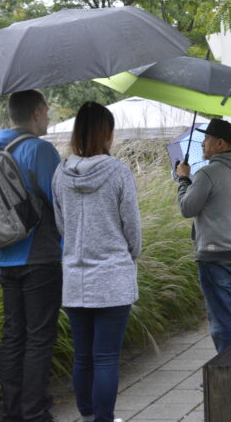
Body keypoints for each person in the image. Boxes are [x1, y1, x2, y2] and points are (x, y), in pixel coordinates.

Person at [52, 102, 142, 422]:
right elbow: (131, 225)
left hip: (76, 277)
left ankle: (88, 415)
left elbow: (61, 224)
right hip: (112, 276)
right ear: (107, 133)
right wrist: (128, 254)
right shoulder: (118, 171)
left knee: (83, 357)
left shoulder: (60, 173)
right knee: (106, 358)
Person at [0, 90, 62, 422]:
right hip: (40, 257)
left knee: (13, 335)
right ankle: (34, 414)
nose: (48, 118)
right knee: (39, 337)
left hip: (5, 256)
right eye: (46, 112)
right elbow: (61, 204)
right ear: (37, 112)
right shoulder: (40, 150)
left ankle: (12, 412)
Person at [176, 120, 231, 352]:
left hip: (214, 257)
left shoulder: (207, 173)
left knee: (222, 318)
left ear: (219, 143)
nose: (203, 143)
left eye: (206, 139)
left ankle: (226, 375)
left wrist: (183, 179)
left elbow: (188, 208)